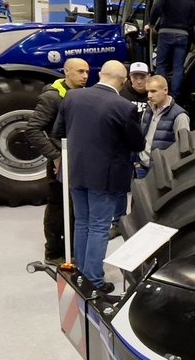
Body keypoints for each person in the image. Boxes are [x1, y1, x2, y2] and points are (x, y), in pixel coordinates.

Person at [52, 60, 145, 292]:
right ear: (123, 81)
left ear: (100, 74)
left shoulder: (72, 98)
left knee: (82, 223)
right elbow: (138, 142)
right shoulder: (124, 107)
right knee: (99, 227)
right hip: (105, 177)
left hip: (75, 172)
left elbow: (58, 132)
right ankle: (93, 279)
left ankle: (81, 272)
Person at [21, 57, 90, 264]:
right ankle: (53, 252)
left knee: (75, 208)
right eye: (79, 71)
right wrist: (55, 156)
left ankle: (73, 249)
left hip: (78, 161)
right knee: (59, 208)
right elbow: (32, 129)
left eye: (86, 71)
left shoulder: (83, 95)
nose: (85, 75)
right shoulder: (52, 97)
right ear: (66, 72)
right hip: (60, 163)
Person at [146, 0, 195, 95]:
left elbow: (156, 9)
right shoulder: (190, 3)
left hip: (166, 32)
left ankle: (161, 92)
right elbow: (192, 22)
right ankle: (175, 96)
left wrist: (151, 24)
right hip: (183, 35)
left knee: (161, 64)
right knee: (178, 67)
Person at [135, 75, 189, 178]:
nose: (149, 95)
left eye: (153, 91)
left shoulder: (180, 116)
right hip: (142, 167)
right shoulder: (148, 110)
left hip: (163, 171)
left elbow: (184, 147)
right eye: (148, 91)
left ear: (165, 90)